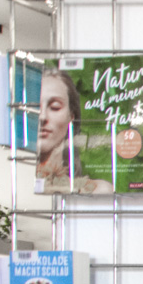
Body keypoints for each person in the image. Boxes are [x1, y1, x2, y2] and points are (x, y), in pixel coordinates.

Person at [35, 67, 113, 195]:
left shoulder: (98, 189)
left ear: (71, 116)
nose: (42, 117)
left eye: (55, 107)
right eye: (35, 107)